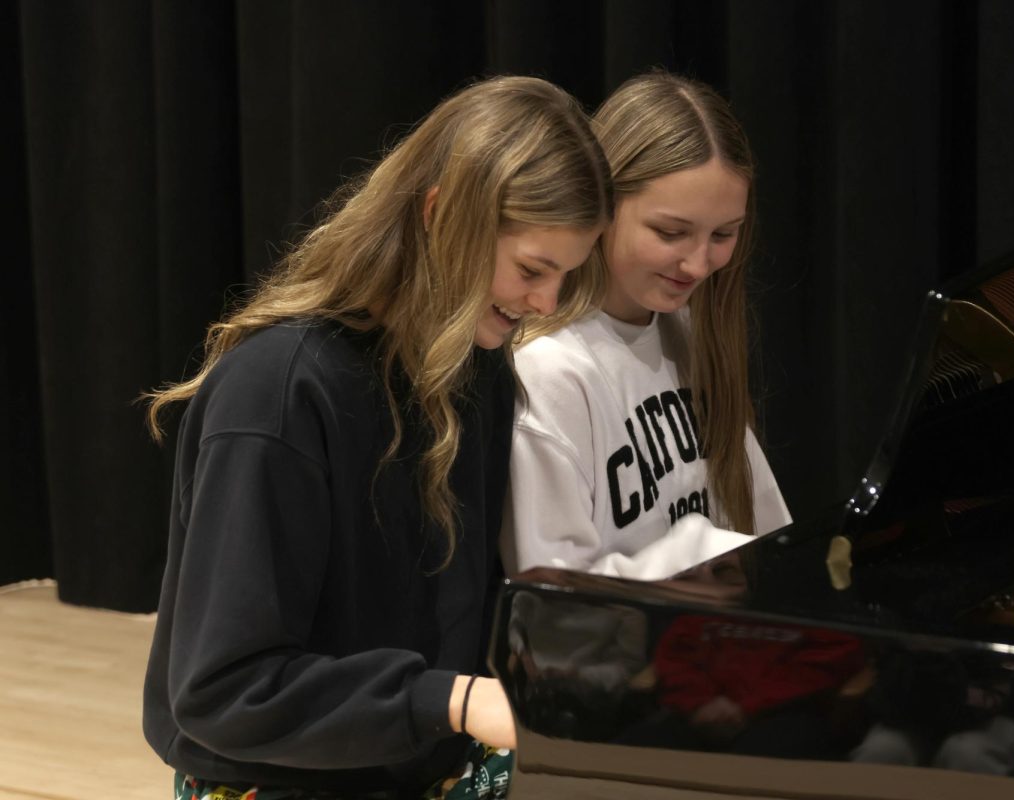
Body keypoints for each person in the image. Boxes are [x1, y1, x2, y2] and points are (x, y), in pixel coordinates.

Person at [140, 75, 612, 799]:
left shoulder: (475, 376)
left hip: (415, 763)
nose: (545, 304)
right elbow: (222, 693)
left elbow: (466, 611)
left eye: (564, 277)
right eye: (531, 270)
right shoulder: (279, 394)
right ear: (438, 217)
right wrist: (451, 701)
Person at [501, 71, 790, 580]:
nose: (698, 265)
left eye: (723, 234)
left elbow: (769, 541)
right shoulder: (549, 368)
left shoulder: (689, 333)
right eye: (671, 232)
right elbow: (551, 603)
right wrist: (696, 557)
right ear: (602, 206)